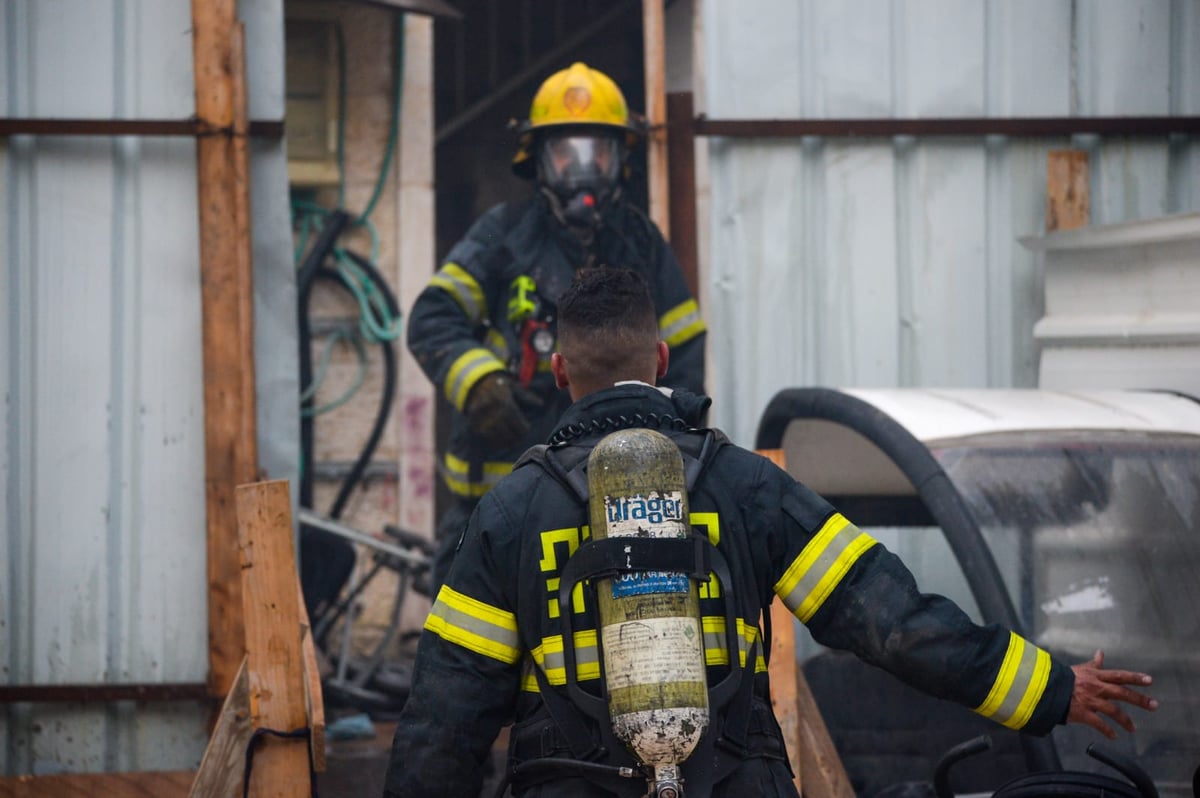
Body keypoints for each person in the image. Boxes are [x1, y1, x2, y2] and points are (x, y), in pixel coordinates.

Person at [383, 268, 1157, 798]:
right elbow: (891, 621)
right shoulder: (745, 484)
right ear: (659, 359)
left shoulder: (512, 510)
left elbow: (445, 717)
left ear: (560, 375)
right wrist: (1050, 687)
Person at [407, 62, 705, 591]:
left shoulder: (641, 243)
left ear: (620, 160)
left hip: (616, 502)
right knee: (474, 650)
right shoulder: (503, 235)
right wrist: (480, 383)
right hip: (498, 498)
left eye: (598, 152)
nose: (582, 169)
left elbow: (683, 354)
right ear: (539, 161)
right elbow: (433, 317)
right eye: (567, 152)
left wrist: (672, 448)